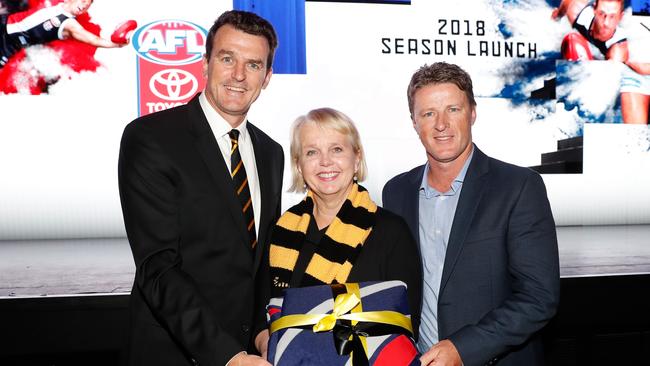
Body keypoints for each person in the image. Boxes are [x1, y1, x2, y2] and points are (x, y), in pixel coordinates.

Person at [118, 10, 283, 366]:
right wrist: (227, 355)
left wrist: (261, 332)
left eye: (254, 65)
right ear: (206, 63)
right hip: (173, 355)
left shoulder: (271, 153)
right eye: (227, 59)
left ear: (267, 77)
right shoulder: (151, 138)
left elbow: (257, 264)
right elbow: (158, 269)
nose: (239, 75)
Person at [382, 62, 560, 366]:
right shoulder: (395, 192)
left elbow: (538, 297)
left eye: (453, 109)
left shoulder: (518, 188)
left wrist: (464, 349)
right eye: (428, 113)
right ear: (414, 121)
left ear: (472, 113)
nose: (441, 124)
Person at [257, 108, 423, 357]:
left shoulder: (391, 231)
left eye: (337, 149)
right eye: (312, 152)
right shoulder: (280, 232)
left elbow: (404, 325)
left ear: (356, 159)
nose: (325, 162)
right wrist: (276, 352)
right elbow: (261, 318)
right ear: (299, 165)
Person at [552, 0, 649, 123]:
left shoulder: (618, 50)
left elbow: (604, 87)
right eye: (602, 14)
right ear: (594, 10)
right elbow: (568, 2)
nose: (606, 22)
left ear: (620, 17)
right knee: (571, 40)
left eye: (612, 16)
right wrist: (557, 14)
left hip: (627, 65)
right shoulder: (577, 12)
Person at [0, 0, 124, 68]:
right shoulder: (58, 3)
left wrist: (115, 44)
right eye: (83, 1)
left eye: (87, 6)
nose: (84, 6)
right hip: (4, 22)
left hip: (9, 45)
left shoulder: (69, 23)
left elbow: (93, 39)